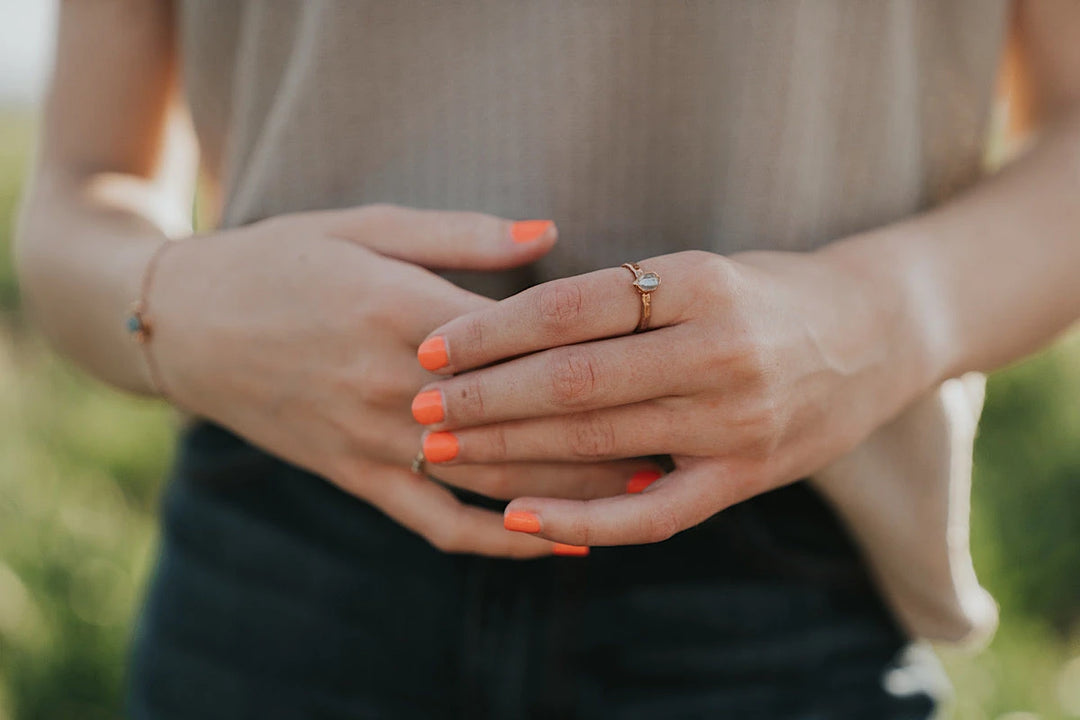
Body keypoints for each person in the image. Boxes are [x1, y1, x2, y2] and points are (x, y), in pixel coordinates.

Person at [14, 1, 1080, 718]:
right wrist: (180, 307)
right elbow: (77, 195)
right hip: (284, 558)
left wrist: (881, 314)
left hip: (785, 574)